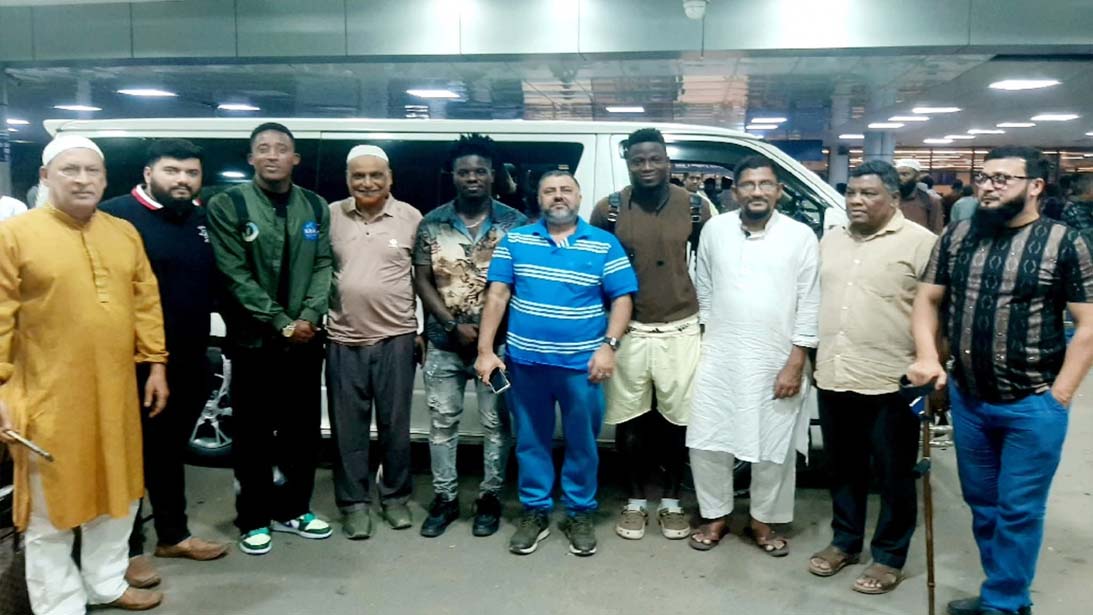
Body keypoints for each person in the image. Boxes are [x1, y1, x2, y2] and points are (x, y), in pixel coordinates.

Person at [907, 146, 1093, 615]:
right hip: (969, 400)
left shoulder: (1064, 242)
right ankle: (1004, 592)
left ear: (1035, 186)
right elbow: (927, 300)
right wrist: (928, 357)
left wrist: (1059, 396)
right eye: (984, 177)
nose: (988, 187)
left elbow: (1088, 325)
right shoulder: (958, 236)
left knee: (1018, 510)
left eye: (1002, 179)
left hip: (1033, 404)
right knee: (982, 503)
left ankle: (1003, 604)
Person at [0, 135, 169, 613]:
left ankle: (106, 584)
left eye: (92, 171)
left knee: (119, 495)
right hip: (47, 396)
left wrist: (156, 362)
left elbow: (145, 299)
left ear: (105, 178)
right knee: (51, 509)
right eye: (69, 170)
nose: (82, 180)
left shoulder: (122, 233)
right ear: (45, 177)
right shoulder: (14, 235)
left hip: (116, 393)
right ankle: (60, 604)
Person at [476, 171, 637, 557]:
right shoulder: (516, 241)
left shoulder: (604, 243)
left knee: (583, 443)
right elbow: (497, 296)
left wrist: (609, 347)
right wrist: (485, 351)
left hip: (583, 366)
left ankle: (579, 512)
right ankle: (535, 511)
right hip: (526, 364)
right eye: (550, 191)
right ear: (539, 199)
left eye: (566, 190)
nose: (558, 196)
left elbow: (622, 298)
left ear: (579, 197)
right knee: (530, 441)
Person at [99, 139, 229, 588]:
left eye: (191, 173)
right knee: (130, 458)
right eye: (172, 171)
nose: (182, 180)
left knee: (169, 453)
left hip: (188, 359)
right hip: (133, 363)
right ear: (148, 172)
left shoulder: (199, 219)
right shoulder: (114, 216)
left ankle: (173, 535)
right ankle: (127, 550)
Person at [205, 122, 334, 555]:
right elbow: (234, 273)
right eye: (264, 148)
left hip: (305, 341)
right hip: (253, 341)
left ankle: (294, 510)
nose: (273, 155)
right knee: (253, 434)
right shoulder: (229, 204)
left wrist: (309, 316)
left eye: (282, 149)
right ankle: (254, 518)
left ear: (295, 159)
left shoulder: (314, 205)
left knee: (301, 431)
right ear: (251, 158)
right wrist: (281, 321)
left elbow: (323, 264)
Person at [808, 160, 936, 594]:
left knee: (894, 473)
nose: (856, 201)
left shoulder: (921, 244)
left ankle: (889, 556)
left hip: (893, 381)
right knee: (843, 468)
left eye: (869, 193)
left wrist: (935, 369)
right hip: (835, 372)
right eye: (852, 193)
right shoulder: (831, 240)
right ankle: (845, 542)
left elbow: (938, 312)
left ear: (894, 198)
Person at [686, 155, 819, 557]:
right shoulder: (715, 229)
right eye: (748, 184)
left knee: (774, 445)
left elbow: (810, 301)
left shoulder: (800, 236)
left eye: (765, 184)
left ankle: (763, 520)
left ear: (779, 191)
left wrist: (796, 361)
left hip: (776, 357)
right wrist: (707, 341)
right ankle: (715, 515)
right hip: (719, 353)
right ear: (735, 192)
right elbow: (704, 286)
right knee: (709, 439)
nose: (757, 192)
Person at [590, 127, 711, 542]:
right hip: (630, 328)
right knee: (631, 419)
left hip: (681, 325)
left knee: (678, 420)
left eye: (655, 159)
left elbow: (710, 265)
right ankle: (636, 500)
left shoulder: (694, 206)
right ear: (628, 163)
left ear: (667, 162)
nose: (647, 167)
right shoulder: (609, 209)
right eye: (638, 160)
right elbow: (595, 270)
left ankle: (672, 500)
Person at [413, 134, 528, 538]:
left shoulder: (515, 224)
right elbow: (422, 279)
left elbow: (522, 282)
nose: (473, 177)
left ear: (493, 175)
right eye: (464, 172)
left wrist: (490, 335)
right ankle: (444, 499)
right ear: (454, 175)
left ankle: (489, 498)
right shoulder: (432, 222)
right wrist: (450, 324)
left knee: (496, 424)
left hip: (496, 348)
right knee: (443, 423)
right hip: (444, 344)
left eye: (480, 171)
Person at [326, 145, 423, 539]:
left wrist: (422, 330)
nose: (367, 182)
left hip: (396, 337)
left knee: (395, 426)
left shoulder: (411, 217)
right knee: (347, 430)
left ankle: (395, 498)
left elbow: (425, 278)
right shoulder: (331, 215)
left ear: (390, 178)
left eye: (375, 175)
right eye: (358, 176)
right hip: (342, 337)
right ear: (348, 179)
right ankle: (354, 505)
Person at [896, 159, 944, 233]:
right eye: (897, 175)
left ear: (917, 177)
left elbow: (936, 230)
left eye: (905, 174)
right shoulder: (889, 199)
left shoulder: (930, 201)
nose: (900, 178)